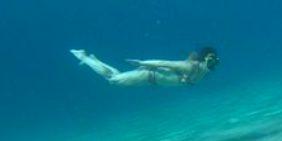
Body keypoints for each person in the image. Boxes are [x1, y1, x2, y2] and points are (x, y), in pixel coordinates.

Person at [70, 46, 220, 86]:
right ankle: (83, 56)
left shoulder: (203, 72)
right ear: (203, 60)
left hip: (150, 78)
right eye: (210, 60)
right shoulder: (190, 67)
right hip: (147, 75)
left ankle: (94, 59)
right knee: (112, 79)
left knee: (115, 77)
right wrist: (141, 63)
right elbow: (163, 63)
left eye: (215, 62)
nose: (212, 64)